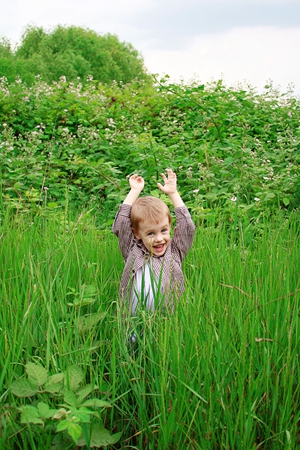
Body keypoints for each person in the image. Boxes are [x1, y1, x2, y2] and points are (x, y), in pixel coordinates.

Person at [112, 168, 195, 314]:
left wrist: (173, 193)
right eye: (150, 233)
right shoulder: (133, 250)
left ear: (170, 226)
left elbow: (187, 227)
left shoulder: (174, 252)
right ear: (137, 233)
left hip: (166, 322)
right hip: (134, 323)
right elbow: (121, 224)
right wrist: (134, 191)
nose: (159, 239)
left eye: (163, 230)